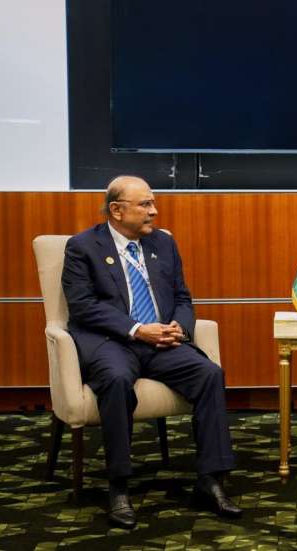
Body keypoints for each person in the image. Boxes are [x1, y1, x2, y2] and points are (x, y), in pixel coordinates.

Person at [62, 175, 241, 528]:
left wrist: (179, 328)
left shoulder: (163, 243)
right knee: (115, 379)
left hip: (160, 342)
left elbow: (182, 297)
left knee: (209, 374)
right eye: (145, 204)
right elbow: (82, 306)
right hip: (113, 341)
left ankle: (211, 480)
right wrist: (136, 329)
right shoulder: (83, 247)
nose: (154, 211)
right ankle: (119, 486)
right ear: (117, 210)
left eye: (153, 203)